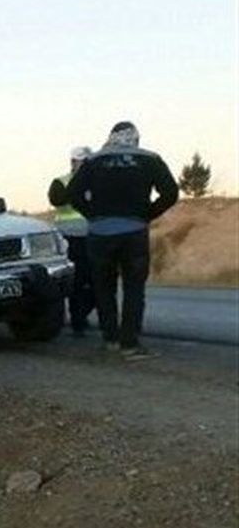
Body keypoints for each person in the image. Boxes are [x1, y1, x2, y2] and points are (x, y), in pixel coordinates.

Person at [67, 122, 178, 360]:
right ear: (136, 138)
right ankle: (130, 344)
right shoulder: (150, 159)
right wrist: (147, 214)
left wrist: (93, 215)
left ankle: (111, 340)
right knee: (134, 288)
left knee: (103, 288)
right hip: (134, 232)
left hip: (99, 234)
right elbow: (171, 193)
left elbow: (73, 194)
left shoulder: (94, 161)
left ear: (110, 137)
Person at [47, 146, 95, 335]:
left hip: (94, 237)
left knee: (97, 281)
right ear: (73, 162)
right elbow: (57, 200)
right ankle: (78, 321)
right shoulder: (61, 182)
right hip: (70, 238)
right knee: (77, 281)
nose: (84, 165)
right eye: (81, 161)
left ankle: (82, 314)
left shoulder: (98, 182)